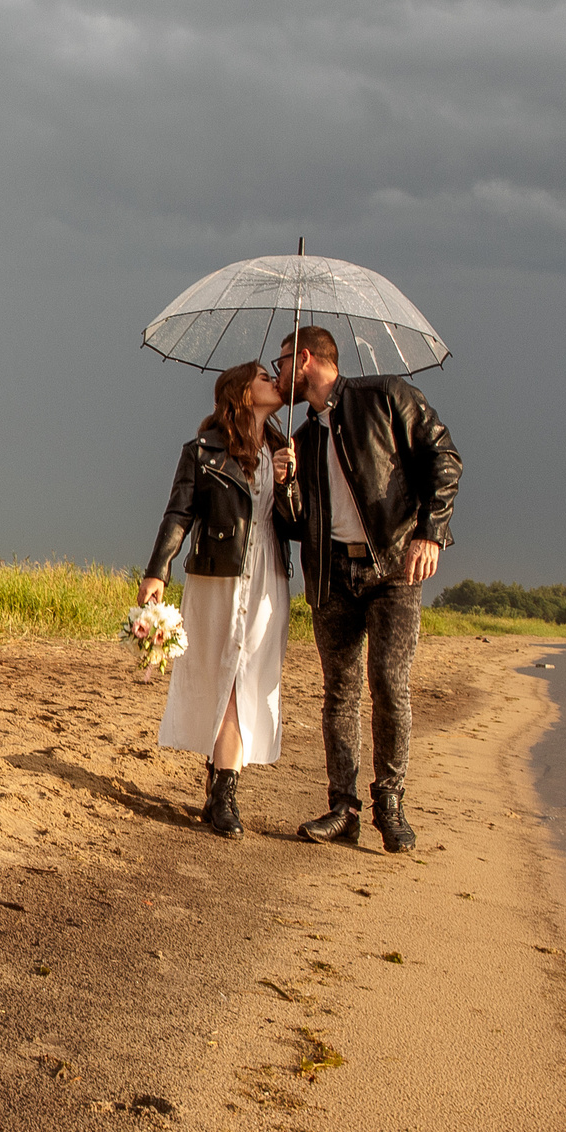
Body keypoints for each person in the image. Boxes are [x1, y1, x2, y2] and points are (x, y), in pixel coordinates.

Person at [274, 325, 463, 852]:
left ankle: (390, 804)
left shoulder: (386, 395)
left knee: (388, 684)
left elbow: (445, 458)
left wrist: (431, 533)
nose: (277, 373)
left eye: (281, 362)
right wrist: (287, 484)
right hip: (331, 575)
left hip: (394, 568)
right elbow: (295, 525)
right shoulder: (301, 438)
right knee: (339, 693)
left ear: (304, 358)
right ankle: (344, 809)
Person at [139, 361, 302, 839]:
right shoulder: (201, 451)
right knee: (224, 677)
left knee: (246, 676)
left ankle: (221, 785)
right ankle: (224, 790)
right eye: (264, 377)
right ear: (241, 392)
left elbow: (296, 526)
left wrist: (288, 484)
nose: (275, 381)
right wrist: (157, 571)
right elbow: (178, 513)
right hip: (217, 577)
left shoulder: (284, 450)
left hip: (267, 578)